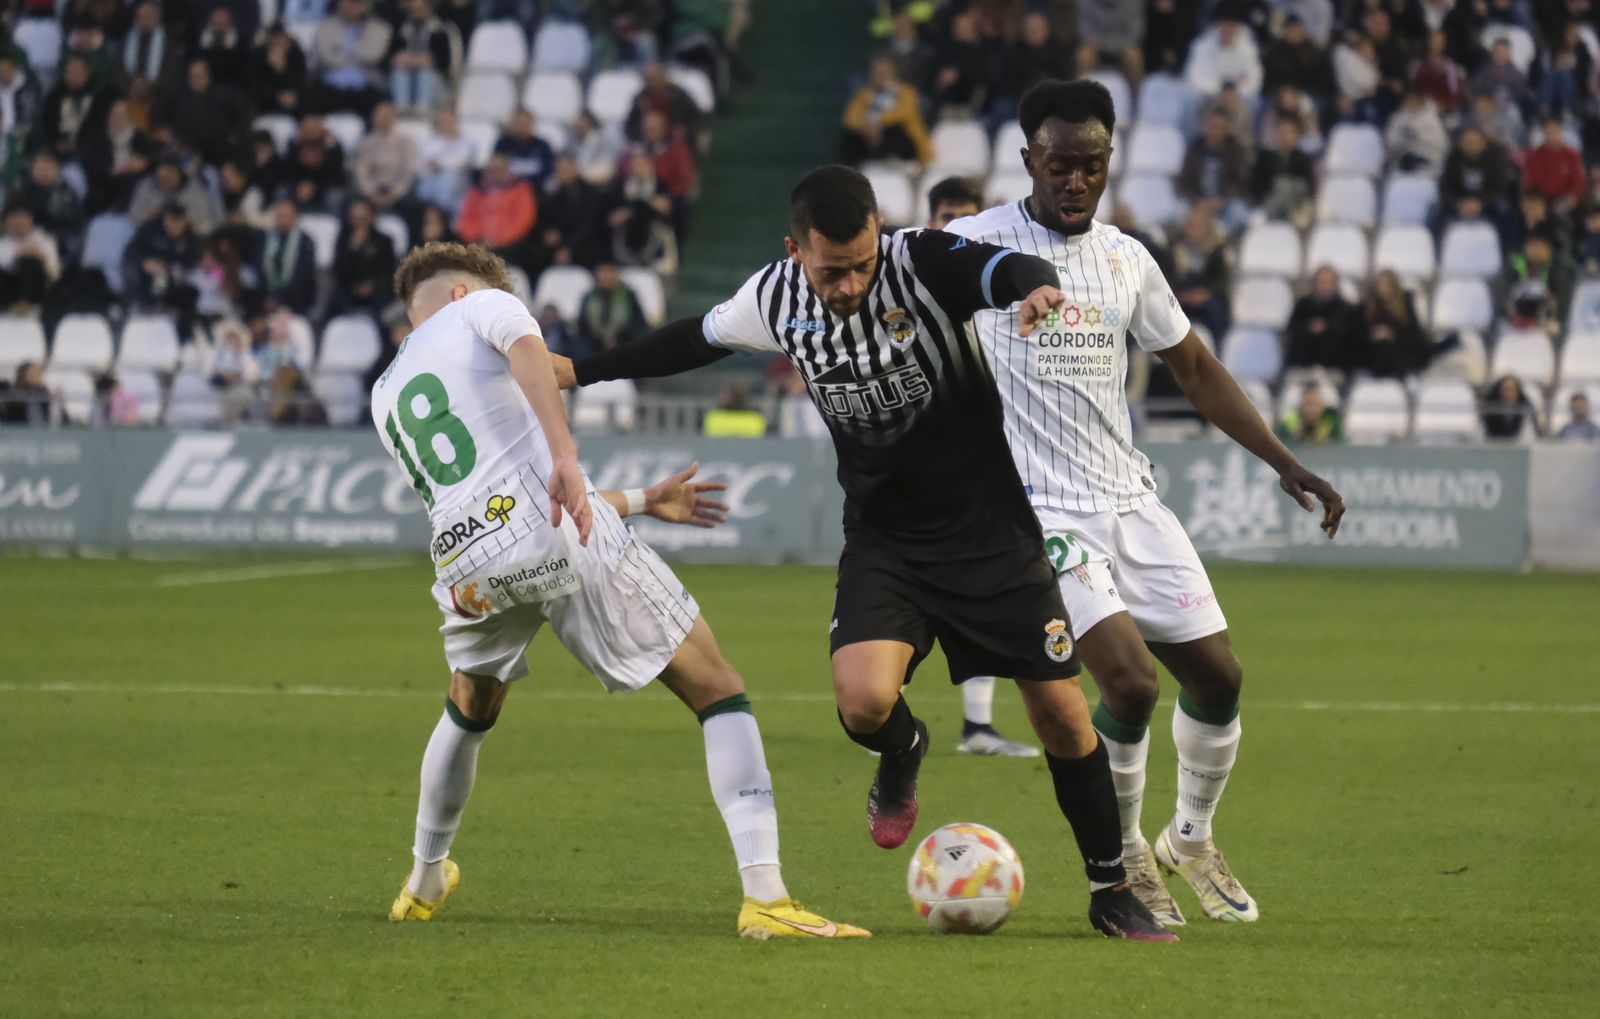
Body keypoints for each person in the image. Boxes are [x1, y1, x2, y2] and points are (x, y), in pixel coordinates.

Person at [559, 164, 1174, 941]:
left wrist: (1038, 286)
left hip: (991, 532)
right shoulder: (774, 297)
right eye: (830, 270)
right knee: (862, 704)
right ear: (795, 250)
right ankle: (906, 745)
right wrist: (579, 370)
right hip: (886, 540)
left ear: (878, 237)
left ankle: (1109, 887)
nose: (848, 284)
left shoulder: (920, 261)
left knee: (1059, 712)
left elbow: (1002, 268)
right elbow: (690, 339)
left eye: (858, 264)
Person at [374, 242, 866, 939]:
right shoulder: (487, 304)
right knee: (717, 684)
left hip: (465, 562)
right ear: (461, 295)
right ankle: (767, 896)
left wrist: (638, 498)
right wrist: (566, 455)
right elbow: (529, 358)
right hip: (555, 533)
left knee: (469, 708)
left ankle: (422, 879)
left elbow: (495, 490)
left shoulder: (385, 390)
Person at [943, 79, 1345, 928]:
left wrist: (1284, 461)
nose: (1076, 181)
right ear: (1028, 161)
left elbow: (1194, 368)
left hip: (1131, 499)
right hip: (1042, 515)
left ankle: (1188, 837)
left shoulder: (1127, 259)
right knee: (1128, 685)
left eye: (1092, 164)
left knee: (1220, 676)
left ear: (1110, 161)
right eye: (1059, 165)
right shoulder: (974, 245)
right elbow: (897, 300)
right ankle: (1124, 857)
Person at [840, 55, 933, 167]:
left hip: (901, 142)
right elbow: (850, 119)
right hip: (871, 138)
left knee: (897, 128)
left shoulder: (906, 91)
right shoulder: (864, 93)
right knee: (850, 137)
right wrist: (867, 128)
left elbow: (904, 113)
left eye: (885, 73)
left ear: (894, 74)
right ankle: (850, 172)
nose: (881, 77)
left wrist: (878, 122)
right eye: (877, 73)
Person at [1355, 271, 1430, 379]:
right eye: (1380, 284)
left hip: (1399, 350)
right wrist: (1373, 334)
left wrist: (1392, 335)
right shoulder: (1366, 306)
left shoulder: (1405, 305)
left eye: (1387, 284)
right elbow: (1358, 331)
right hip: (1374, 352)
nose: (1383, 288)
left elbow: (1413, 334)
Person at [332, 197, 396, 316]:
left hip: (376, 289)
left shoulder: (384, 241)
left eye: (363, 219)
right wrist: (353, 248)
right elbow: (338, 271)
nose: (359, 223)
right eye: (356, 219)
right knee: (335, 298)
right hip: (350, 289)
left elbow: (389, 271)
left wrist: (372, 285)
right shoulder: (343, 241)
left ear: (371, 217)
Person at [353, 101, 418, 212]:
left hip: (397, 193)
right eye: (381, 116)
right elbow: (361, 172)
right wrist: (372, 193)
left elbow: (408, 171)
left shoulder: (406, 143)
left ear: (395, 118)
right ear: (374, 118)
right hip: (372, 192)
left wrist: (394, 194)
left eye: (388, 116)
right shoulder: (365, 144)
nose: (384, 119)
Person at [259, 198, 320, 315]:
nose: (281, 219)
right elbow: (260, 268)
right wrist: (268, 296)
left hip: (296, 300)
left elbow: (303, 275)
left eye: (285, 216)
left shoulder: (305, 242)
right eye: (279, 216)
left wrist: (280, 298)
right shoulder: (266, 238)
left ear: (295, 217)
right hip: (268, 298)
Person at [576, 262, 646, 352]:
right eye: (603, 271)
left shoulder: (628, 296)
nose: (606, 276)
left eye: (610, 271)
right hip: (595, 347)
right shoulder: (589, 298)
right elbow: (582, 328)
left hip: (625, 344)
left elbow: (639, 325)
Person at [1275, 382, 1342, 443]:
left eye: (1314, 404)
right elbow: (1279, 441)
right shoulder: (1290, 419)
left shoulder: (1331, 418)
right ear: (1300, 406)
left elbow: (1341, 443)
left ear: (1322, 406)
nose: (1311, 409)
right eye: (1307, 404)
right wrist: (1295, 436)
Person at [1481, 374, 1540, 439]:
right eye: (1506, 390)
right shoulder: (1490, 410)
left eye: (1513, 390)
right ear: (1499, 391)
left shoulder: (1525, 409)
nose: (1509, 393)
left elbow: (1529, 437)